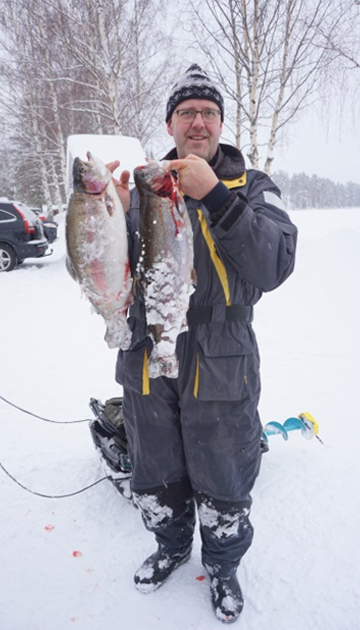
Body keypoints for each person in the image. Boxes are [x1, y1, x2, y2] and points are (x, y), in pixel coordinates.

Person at [111, 64, 298, 624]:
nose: (198, 121)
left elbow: (275, 263)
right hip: (148, 352)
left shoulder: (253, 187)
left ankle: (222, 567)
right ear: (170, 123)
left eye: (208, 112)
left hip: (223, 354)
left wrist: (216, 197)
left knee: (224, 473)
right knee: (154, 467)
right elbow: (106, 275)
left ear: (221, 124)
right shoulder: (146, 183)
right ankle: (170, 547)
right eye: (187, 112)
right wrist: (110, 215)